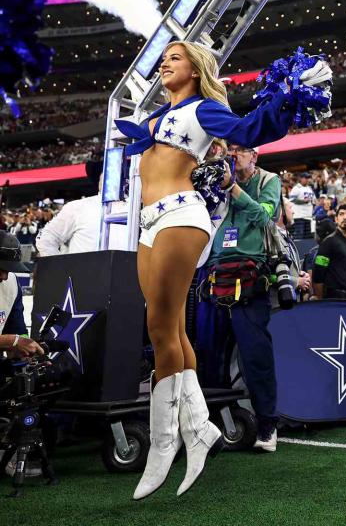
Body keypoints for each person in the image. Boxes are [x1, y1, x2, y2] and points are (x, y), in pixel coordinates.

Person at [114, 40, 326, 499]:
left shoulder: (203, 110)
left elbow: (249, 127)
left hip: (181, 216)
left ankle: (165, 445)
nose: (166, 62)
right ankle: (199, 428)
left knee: (159, 331)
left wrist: (287, 97)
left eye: (176, 56)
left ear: (195, 69)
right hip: (149, 223)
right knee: (170, 329)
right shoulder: (154, 119)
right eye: (164, 57)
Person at [204, 142, 283, 454]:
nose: (232, 155)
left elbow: (263, 217)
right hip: (213, 274)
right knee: (211, 358)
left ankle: (267, 425)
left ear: (255, 154)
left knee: (255, 358)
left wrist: (232, 188)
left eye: (240, 150)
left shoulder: (268, 181)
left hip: (250, 278)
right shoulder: (214, 179)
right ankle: (215, 424)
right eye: (229, 150)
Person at [0, 231, 44, 358]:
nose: (4, 276)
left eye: (8, 270)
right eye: (1, 268)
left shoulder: (11, 283)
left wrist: (28, 354)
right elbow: (15, 340)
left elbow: (17, 329)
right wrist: (13, 341)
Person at [312, 204, 346, 300]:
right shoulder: (328, 242)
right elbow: (318, 274)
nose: (345, 217)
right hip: (336, 300)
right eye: (341, 214)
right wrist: (320, 301)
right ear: (336, 219)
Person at [288, 173, 316, 239]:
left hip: (308, 216)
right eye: (305, 178)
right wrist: (303, 201)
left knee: (308, 237)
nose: (307, 180)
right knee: (299, 236)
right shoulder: (297, 188)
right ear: (301, 178)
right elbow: (291, 199)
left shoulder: (309, 188)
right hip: (299, 216)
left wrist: (314, 202)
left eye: (308, 178)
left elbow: (314, 200)